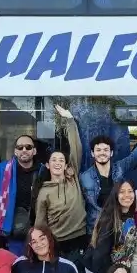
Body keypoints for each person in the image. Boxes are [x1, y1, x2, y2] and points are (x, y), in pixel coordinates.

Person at [77, 108, 137, 232]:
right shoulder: (84, 177)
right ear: (93, 154)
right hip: (95, 229)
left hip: (118, 226)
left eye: (105, 150)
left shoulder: (120, 167)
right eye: (98, 150)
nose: (102, 153)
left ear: (111, 153)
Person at [32, 112, 88, 261]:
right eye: (54, 160)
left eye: (61, 160)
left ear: (65, 165)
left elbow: (77, 148)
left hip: (80, 239)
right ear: (47, 165)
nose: (58, 163)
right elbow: (40, 223)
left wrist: (70, 120)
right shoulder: (44, 192)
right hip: (58, 243)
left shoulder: (73, 177)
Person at [84, 180, 137, 273]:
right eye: (122, 192)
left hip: (118, 270)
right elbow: (100, 255)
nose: (127, 195)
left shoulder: (131, 214)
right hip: (101, 271)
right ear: (115, 195)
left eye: (130, 191)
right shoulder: (109, 218)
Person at [0, 134, 42, 255]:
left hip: (39, 230)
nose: (24, 150)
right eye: (20, 147)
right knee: (18, 268)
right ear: (15, 151)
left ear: (34, 151)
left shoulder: (43, 171)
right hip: (14, 233)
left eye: (28, 147)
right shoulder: (2, 170)